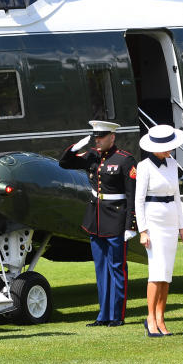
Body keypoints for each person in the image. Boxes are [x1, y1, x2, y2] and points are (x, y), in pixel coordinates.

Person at [59, 120, 137, 327]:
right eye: (96, 137)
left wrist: (131, 225)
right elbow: (64, 164)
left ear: (112, 137)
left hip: (117, 219)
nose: (98, 140)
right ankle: (103, 315)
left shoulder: (125, 160)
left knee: (117, 268)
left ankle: (117, 315)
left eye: (101, 137)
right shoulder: (92, 156)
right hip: (96, 218)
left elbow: (132, 195)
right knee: (101, 268)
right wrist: (75, 148)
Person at [135, 124, 183, 337]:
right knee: (156, 272)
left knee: (166, 274)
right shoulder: (144, 166)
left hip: (170, 220)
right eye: (166, 147)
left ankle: (161, 317)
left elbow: (176, 196)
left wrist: (181, 226)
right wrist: (143, 230)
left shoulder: (172, 163)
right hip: (153, 220)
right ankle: (150, 318)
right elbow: (139, 201)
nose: (170, 150)